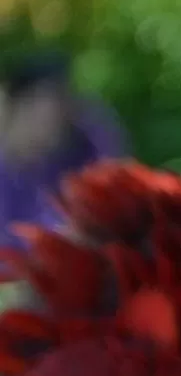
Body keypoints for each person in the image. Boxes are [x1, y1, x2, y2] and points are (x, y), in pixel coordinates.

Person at [0, 49, 127, 249]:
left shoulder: (82, 146)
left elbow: (114, 192)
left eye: (60, 105)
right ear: (16, 108)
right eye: (39, 110)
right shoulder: (6, 171)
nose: (51, 123)